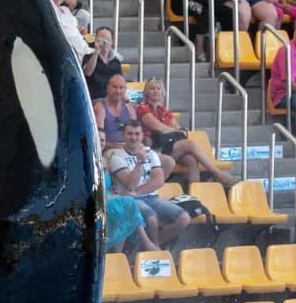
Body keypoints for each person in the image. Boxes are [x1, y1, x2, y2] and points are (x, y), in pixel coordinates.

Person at [106, 120, 190, 248]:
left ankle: (150, 246)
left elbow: (159, 180)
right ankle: (155, 250)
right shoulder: (117, 157)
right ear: (123, 135)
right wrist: (140, 162)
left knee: (184, 219)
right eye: (129, 134)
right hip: (130, 200)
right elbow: (130, 184)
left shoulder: (150, 153)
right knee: (152, 219)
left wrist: (138, 192)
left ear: (142, 135)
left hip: (150, 197)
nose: (133, 137)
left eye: (137, 134)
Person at [139, 77, 234, 186]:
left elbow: (180, 131)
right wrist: (172, 130)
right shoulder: (143, 108)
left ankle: (194, 194)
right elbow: (158, 127)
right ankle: (218, 174)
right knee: (188, 144)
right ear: (146, 92)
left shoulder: (164, 111)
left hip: (168, 147)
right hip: (154, 150)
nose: (155, 91)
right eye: (152, 88)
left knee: (191, 159)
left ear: (162, 92)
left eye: (158, 88)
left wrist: (171, 130)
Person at [94, 72, 137, 148]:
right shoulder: (100, 107)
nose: (118, 91)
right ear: (108, 88)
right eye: (115, 87)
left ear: (125, 90)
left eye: (121, 88)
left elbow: (136, 134)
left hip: (128, 150)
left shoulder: (129, 108)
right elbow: (98, 141)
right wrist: (118, 146)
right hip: (108, 151)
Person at [82, 28, 123, 102]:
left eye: (107, 39)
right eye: (101, 39)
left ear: (112, 42)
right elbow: (87, 72)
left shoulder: (116, 61)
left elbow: (120, 81)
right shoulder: (89, 57)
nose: (105, 42)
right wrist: (96, 52)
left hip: (112, 99)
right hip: (95, 98)